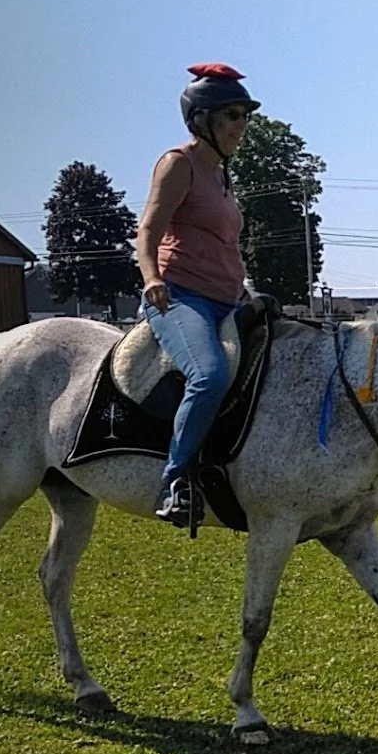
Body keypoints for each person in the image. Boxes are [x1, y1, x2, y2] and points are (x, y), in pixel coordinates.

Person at [136, 63, 260, 527]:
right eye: (233, 116)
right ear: (201, 119)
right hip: (179, 297)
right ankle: (173, 483)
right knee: (209, 376)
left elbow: (222, 245)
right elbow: (148, 230)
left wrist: (245, 292)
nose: (241, 126)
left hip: (228, 299)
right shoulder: (178, 164)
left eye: (245, 116)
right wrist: (152, 278)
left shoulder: (222, 176)